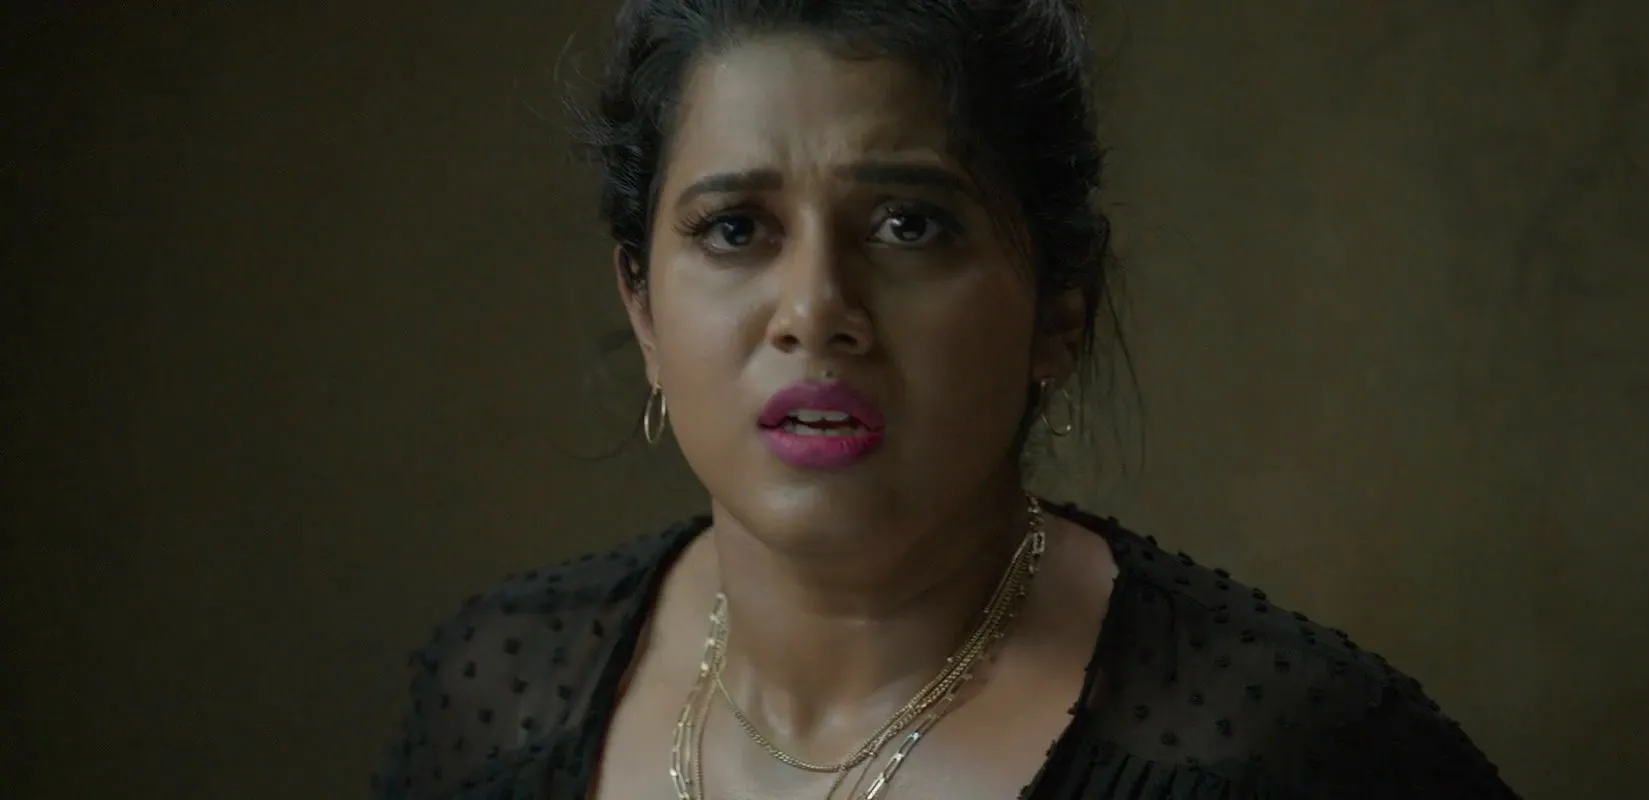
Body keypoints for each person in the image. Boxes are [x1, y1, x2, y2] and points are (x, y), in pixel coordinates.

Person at [374, 1, 1519, 797]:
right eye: (736, 228)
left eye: (908, 224)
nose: (815, 309)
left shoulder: (1274, 754)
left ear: (1061, 305)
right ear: (643, 308)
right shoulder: (502, 702)